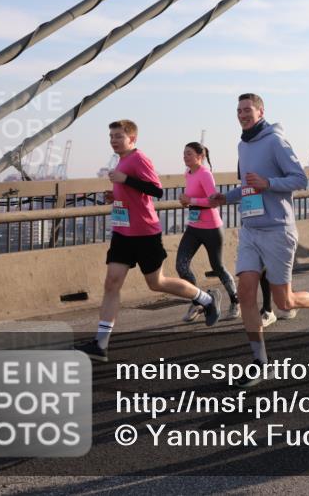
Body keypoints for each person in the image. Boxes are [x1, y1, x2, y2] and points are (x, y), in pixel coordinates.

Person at [210, 93, 309, 388]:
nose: (242, 114)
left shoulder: (276, 141)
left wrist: (269, 183)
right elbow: (249, 187)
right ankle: (260, 361)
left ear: (261, 111)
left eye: (248, 110)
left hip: (277, 229)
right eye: (238, 110)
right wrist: (227, 197)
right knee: (246, 291)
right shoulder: (242, 145)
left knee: (283, 301)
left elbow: (299, 179)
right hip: (250, 229)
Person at [78, 121, 221, 362]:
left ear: (132, 139)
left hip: (145, 233)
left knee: (156, 283)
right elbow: (133, 191)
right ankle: (100, 345)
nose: (113, 140)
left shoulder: (138, 158)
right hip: (123, 232)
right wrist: (116, 194)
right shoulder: (121, 161)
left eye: (119, 136)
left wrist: (124, 180)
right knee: (111, 284)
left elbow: (156, 190)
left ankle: (206, 299)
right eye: (111, 136)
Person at [176, 142, 240, 321]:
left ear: (200, 156)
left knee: (217, 266)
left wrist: (191, 199)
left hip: (211, 227)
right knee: (181, 265)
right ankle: (199, 302)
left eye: (189, 153)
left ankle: (235, 301)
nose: (185, 157)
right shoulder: (188, 174)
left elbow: (213, 201)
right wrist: (186, 201)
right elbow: (193, 199)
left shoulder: (205, 174)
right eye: (184, 153)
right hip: (194, 227)